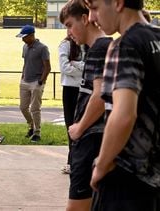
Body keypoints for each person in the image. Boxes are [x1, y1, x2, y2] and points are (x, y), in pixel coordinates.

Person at [84, 0, 160, 210]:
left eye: (95, 8)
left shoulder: (124, 45)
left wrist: (101, 165)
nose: (91, 18)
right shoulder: (157, 37)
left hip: (127, 180)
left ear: (117, 3)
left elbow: (124, 115)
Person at [59, 0, 112, 210]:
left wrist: (78, 128)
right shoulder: (98, 48)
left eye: (70, 25)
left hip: (90, 140)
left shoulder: (100, 48)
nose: (69, 32)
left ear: (84, 18)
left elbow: (100, 95)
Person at [16, 25, 51, 142]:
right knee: (23, 107)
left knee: (35, 109)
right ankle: (31, 125)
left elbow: (47, 67)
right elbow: (25, 63)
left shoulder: (42, 48)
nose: (22, 39)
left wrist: (41, 81)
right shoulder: (25, 47)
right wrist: (22, 76)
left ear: (31, 35)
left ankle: (37, 133)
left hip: (37, 82)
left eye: (24, 37)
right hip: (25, 81)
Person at [59, 36, 85, 174]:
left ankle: (80, 160)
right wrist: (81, 70)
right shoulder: (65, 45)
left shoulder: (86, 43)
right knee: (71, 125)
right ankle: (71, 161)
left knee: (83, 125)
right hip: (70, 90)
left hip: (85, 88)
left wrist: (75, 63)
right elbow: (64, 68)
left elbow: (89, 67)